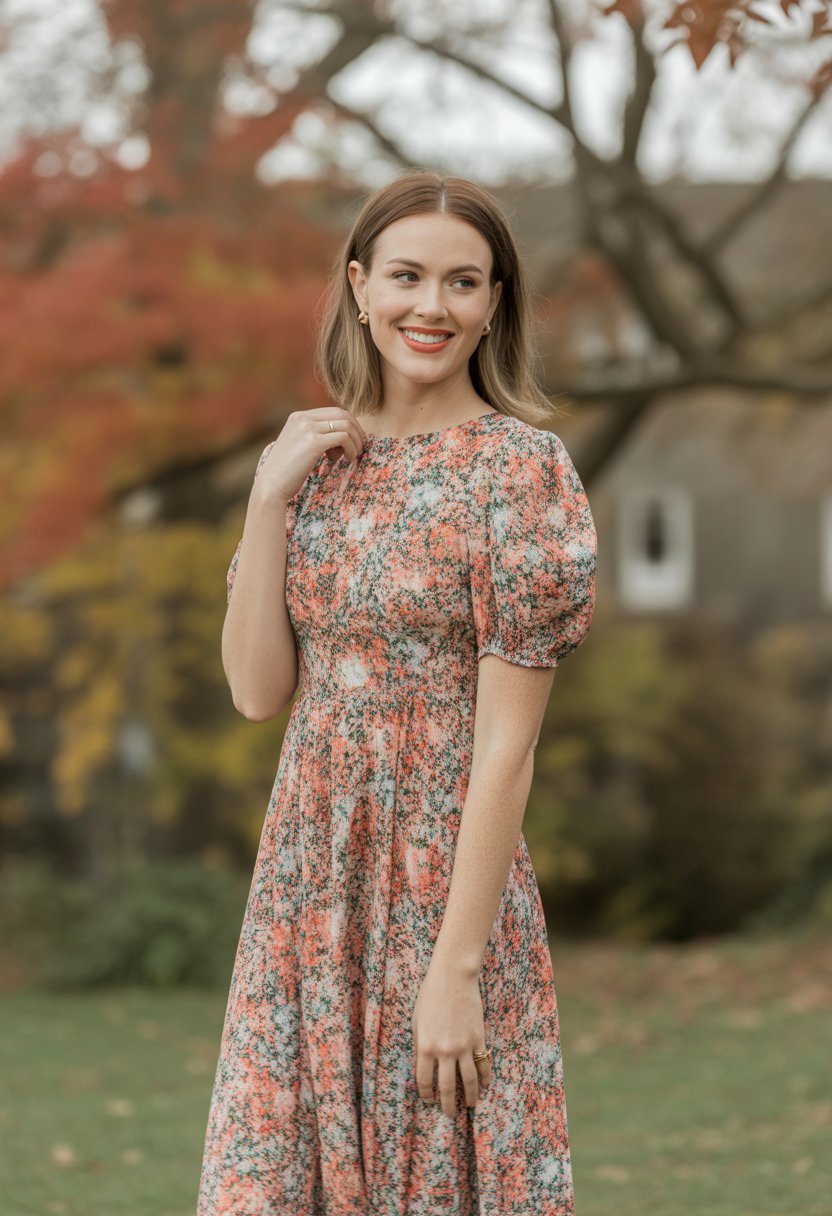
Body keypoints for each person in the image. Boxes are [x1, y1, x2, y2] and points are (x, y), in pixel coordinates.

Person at [197, 168, 597, 1216]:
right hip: (307, 881)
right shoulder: (310, 462)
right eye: (408, 277)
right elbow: (254, 690)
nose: (432, 306)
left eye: (463, 282)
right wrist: (267, 499)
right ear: (360, 284)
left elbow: (506, 748)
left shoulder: (518, 472)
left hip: (442, 887)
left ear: (493, 302)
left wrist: (456, 968)